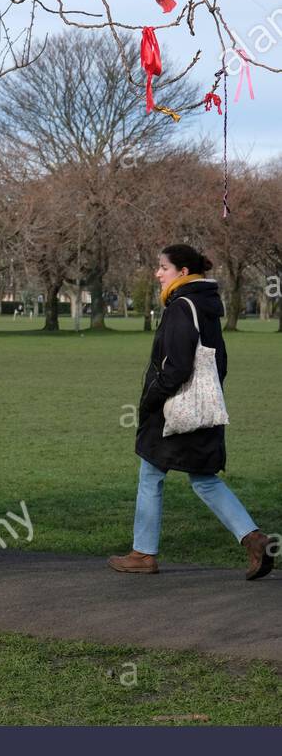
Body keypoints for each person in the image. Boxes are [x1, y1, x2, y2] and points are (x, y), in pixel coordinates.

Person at [109, 244, 274, 579]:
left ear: (182, 272)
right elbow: (219, 363)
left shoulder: (181, 307)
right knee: (203, 478)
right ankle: (254, 539)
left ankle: (143, 554)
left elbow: (178, 366)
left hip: (175, 410)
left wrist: (151, 400)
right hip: (203, 409)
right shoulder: (207, 305)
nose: (157, 273)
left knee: (151, 474)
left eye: (162, 268)